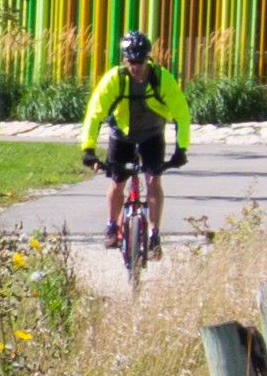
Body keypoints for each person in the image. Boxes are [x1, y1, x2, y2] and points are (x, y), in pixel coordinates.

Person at [80, 29, 191, 254]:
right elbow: (94, 114)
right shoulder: (115, 79)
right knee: (117, 181)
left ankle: (154, 234)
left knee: (152, 180)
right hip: (122, 134)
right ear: (124, 60)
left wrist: (181, 148)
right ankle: (112, 226)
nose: (136, 67)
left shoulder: (162, 78)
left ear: (148, 58)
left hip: (152, 133)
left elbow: (182, 114)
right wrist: (88, 149)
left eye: (140, 61)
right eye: (131, 61)